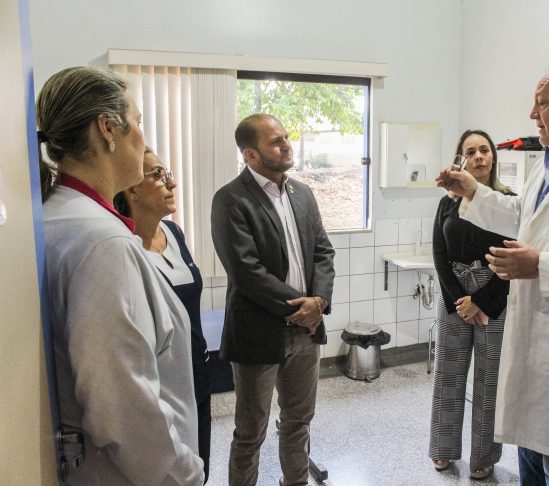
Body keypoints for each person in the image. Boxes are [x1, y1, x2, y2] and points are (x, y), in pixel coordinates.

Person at [436, 57, 549, 486]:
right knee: (530, 465)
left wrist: (541, 265)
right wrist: (474, 191)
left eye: (542, 103)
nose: (532, 114)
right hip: (530, 345)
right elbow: (523, 215)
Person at [38, 67, 203, 484]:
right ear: (107, 128)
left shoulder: (58, 216)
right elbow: (124, 408)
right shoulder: (102, 241)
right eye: (138, 122)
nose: (143, 137)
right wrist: (185, 475)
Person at [211, 113, 335, 486]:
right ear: (250, 155)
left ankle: (295, 481)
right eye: (275, 141)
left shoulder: (302, 193)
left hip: (306, 331)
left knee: (299, 421)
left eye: (285, 137)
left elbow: (323, 252)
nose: (286, 145)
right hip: (258, 331)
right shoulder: (231, 199)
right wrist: (302, 306)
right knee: (251, 429)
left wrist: (319, 301)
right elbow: (246, 271)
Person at [114, 147, 212, 482]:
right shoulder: (122, 246)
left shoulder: (174, 233)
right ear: (131, 188)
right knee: (170, 472)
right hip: (160, 384)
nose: (171, 183)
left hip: (196, 372)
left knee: (200, 465)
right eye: (158, 175)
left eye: (167, 173)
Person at [428, 130, 514, 480]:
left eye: (484, 150)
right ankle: (443, 447)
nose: (479, 156)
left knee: (488, 379)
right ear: (460, 160)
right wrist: (460, 300)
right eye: (471, 151)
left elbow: (513, 259)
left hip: (495, 294)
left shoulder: (508, 202)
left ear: (493, 156)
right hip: (454, 294)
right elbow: (439, 254)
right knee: (447, 373)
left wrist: (481, 301)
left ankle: (484, 456)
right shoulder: (448, 203)